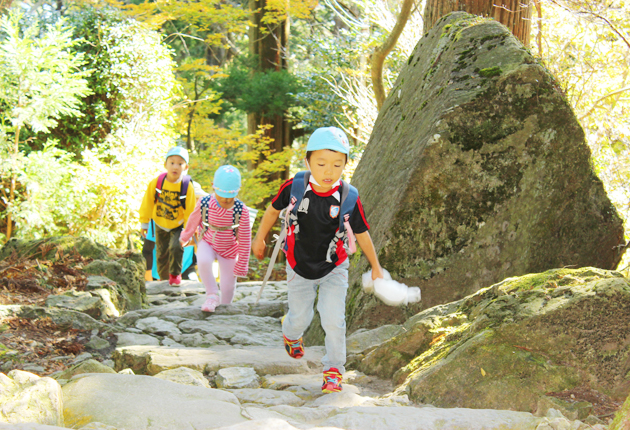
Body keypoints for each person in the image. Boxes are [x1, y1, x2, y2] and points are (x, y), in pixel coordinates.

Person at [251, 126, 383, 394]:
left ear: (346, 164)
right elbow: (272, 211)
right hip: (299, 265)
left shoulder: (349, 197)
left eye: (337, 164)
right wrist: (260, 237)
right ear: (308, 161)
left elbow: (362, 233)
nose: (328, 171)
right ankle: (291, 333)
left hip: (335, 266)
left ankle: (334, 370)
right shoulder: (296, 186)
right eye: (321, 163)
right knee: (301, 316)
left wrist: (376, 266)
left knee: (333, 319)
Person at [180, 165, 252, 312]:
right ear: (213, 187)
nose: (225, 199)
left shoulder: (241, 210)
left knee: (228, 285)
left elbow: (245, 239)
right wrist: (185, 236)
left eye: (230, 196)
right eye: (221, 194)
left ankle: (225, 306)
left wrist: (242, 263)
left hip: (229, 248)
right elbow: (193, 221)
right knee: (203, 260)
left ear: (237, 191)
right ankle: (211, 295)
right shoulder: (205, 203)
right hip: (208, 241)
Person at [139, 146, 196, 286]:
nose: (175, 166)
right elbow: (147, 203)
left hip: (178, 225)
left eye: (180, 163)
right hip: (159, 223)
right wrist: (144, 223)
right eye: (172, 163)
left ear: (186, 167)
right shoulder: (157, 182)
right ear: (165, 165)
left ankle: (175, 275)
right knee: (161, 253)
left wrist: (188, 231)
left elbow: (191, 210)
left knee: (176, 247)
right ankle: (164, 280)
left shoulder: (187, 186)